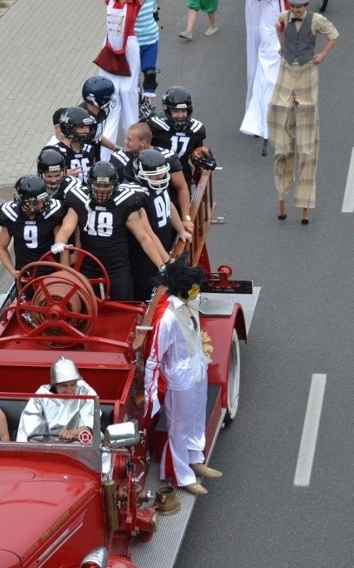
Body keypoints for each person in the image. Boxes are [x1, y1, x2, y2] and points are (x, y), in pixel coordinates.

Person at [143, 256, 222, 495]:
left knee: (198, 417)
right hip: (180, 376)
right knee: (179, 425)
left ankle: (196, 457)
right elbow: (155, 356)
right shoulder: (167, 319)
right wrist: (151, 392)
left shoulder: (192, 302)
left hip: (198, 368)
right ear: (181, 289)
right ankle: (181, 475)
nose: (197, 291)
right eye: (193, 287)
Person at [51, 161, 171, 301]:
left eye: (106, 185)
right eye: (98, 185)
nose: (102, 190)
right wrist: (59, 242)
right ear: (90, 184)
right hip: (89, 267)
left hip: (117, 268)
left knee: (124, 308)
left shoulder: (125, 202)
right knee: (88, 309)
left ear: (115, 185)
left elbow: (143, 238)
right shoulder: (79, 200)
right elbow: (66, 229)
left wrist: (161, 266)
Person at [267, 0, 338, 225]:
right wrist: (282, 47)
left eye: (300, 7)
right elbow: (279, 32)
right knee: (277, 111)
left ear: (306, 7)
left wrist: (323, 55)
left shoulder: (316, 20)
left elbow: (334, 34)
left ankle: (305, 203)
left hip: (307, 71)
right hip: (287, 69)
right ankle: (282, 192)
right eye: (294, 6)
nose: (296, 10)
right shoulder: (282, 18)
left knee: (307, 144)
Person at [130, 149, 192, 301]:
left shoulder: (158, 185)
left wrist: (181, 230)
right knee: (148, 294)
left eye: (161, 173)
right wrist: (166, 261)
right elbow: (149, 234)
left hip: (163, 246)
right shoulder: (138, 195)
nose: (159, 176)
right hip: (146, 256)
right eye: (154, 174)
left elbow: (169, 206)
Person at [111, 121, 194, 233]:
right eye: (126, 138)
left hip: (162, 213)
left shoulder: (166, 157)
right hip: (135, 214)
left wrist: (186, 218)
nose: (125, 142)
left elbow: (182, 187)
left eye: (130, 140)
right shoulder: (119, 158)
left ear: (143, 143)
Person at [146, 86, 217, 215]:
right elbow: (143, 149)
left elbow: (196, 151)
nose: (180, 115)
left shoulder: (196, 129)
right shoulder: (154, 126)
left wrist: (200, 163)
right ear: (168, 111)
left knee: (181, 210)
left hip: (182, 175)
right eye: (176, 111)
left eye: (183, 111)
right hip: (156, 175)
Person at [0, 175, 66, 278]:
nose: (41, 205)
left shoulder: (53, 213)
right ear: (21, 201)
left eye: (42, 200)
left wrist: (63, 272)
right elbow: (2, 248)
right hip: (26, 274)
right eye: (35, 203)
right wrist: (13, 271)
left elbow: (62, 246)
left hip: (51, 274)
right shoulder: (11, 216)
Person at [95, 0, 143, 149]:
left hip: (128, 49)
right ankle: (105, 153)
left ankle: (134, 150)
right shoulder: (110, 1)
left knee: (129, 96)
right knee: (109, 100)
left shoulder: (135, 3)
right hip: (110, 48)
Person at [17, 357, 98, 442]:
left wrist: (72, 433)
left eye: (73, 384)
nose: (70, 390)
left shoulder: (85, 391)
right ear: (55, 385)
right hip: (48, 448)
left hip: (79, 445)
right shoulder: (40, 397)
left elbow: (90, 425)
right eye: (64, 386)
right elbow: (29, 430)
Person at [240, 0, 284, 153]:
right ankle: (263, 119)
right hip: (268, 15)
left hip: (279, 13)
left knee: (270, 68)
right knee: (264, 69)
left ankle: (267, 119)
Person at [53, 106, 99, 184]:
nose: (86, 130)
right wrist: (61, 175)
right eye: (81, 126)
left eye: (87, 126)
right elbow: (44, 179)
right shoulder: (54, 152)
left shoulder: (90, 149)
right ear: (68, 128)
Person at [80, 76, 122, 161]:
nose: (111, 100)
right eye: (108, 98)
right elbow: (65, 143)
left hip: (94, 160)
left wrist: (116, 148)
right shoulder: (81, 120)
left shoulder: (101, 112)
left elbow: (96, 136)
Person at [135, 0, 160, 105]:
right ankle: (134, 103)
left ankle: (148, 106)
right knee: (132, 77)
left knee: (150, 74)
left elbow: (155, 13)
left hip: (151, 40)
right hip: (133, 43)